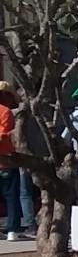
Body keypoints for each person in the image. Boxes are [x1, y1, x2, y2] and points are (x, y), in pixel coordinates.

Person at [0, 81, 23, 241]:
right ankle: (12, 229)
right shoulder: (6, 112)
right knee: (11, 196)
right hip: (6, 159)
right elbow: (4, 134)